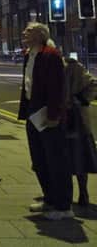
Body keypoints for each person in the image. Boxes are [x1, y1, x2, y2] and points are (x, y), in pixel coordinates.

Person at [18, 22, 73, 220]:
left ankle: (64, 206)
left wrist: (53, 116)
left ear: (40, 35)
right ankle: (50, 199)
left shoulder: (51, 55)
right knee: (39, 160)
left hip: (48, 115)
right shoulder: (29, 54)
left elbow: (57, 89)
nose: (24, 33)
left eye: (29, 31)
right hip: (33, 113)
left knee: (56, 160)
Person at [63, 56, 97, 206]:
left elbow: (93, 84)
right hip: (59, 120)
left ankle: (83, 192)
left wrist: (79, 99)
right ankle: (66, 194)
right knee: (65, 158)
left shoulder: (73, 67)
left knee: (80, 156)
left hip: (77, 121)